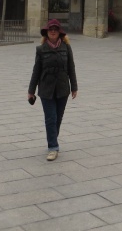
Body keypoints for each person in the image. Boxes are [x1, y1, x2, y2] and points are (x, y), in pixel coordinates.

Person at [27, 19, 78, 161]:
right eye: (51, 29)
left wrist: (74, 87)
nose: (53, 31)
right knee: (51, 118)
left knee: (58, 119)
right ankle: (53, 147)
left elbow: (71, 68)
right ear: (47, 32)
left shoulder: (66, 48)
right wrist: (31, 91)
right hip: (46, 89)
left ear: (60, 32)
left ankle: (52, 139)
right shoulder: (41, 49)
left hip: (62, 89)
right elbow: (36, 71)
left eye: (55, 29)